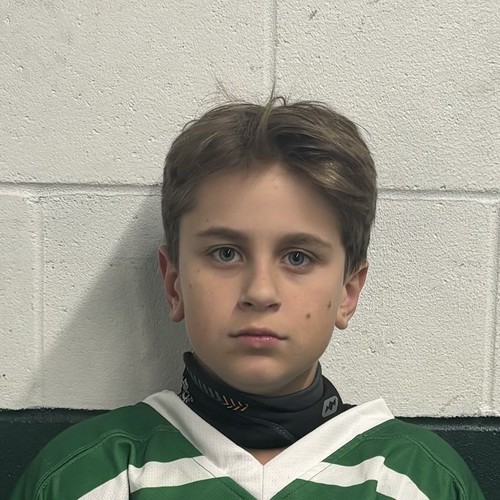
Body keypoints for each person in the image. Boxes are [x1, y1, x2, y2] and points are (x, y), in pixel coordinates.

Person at [10, 96, 484, 499]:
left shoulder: (418, 480)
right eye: (225, 253)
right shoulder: (85, 478)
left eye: (297, 257)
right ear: (174, 284)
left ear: (348, 292)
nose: (260, 292)